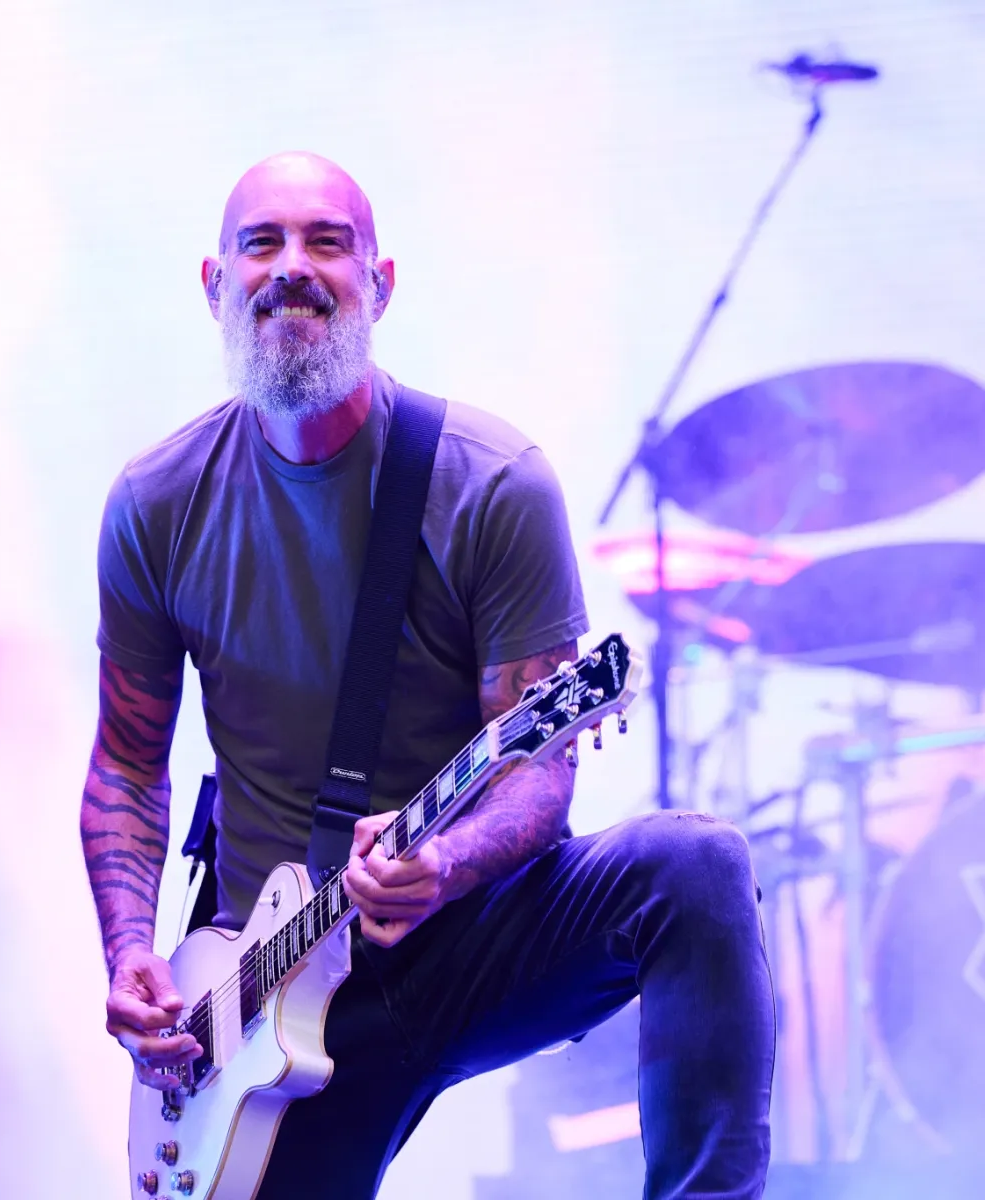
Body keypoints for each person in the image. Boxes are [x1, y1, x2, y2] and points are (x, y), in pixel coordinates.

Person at [81, 152, 773, 1198]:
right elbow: (128, 766)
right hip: (266, 998)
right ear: (215, 286)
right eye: (261, 243)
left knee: (695, 867)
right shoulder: (157, 502)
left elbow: (538, 767)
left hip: (472, 938)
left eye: (328, 242)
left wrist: (444, 863)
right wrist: (132, 952)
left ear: (381, 283)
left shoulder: (492, 482)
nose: (292, 266)